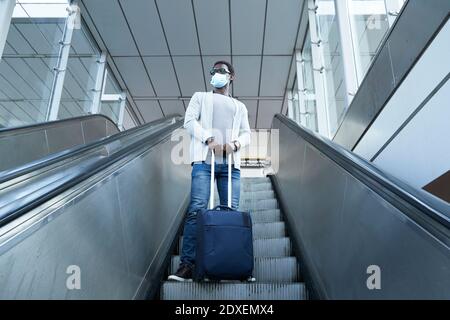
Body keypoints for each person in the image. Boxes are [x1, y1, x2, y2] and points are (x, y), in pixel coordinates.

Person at [168, 61, 251, 282]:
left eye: (221, 71)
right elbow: (189, 122)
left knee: (230, 212)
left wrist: (233, 145)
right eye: (213, 71)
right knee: (197, 209)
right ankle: (187, 265)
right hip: (204, 162)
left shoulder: (239, 106)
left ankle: (230, 263)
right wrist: (209, 139)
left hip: (231, 165)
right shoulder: (200, 97)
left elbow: (246, 134)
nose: (216, 74)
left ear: (231, 76)